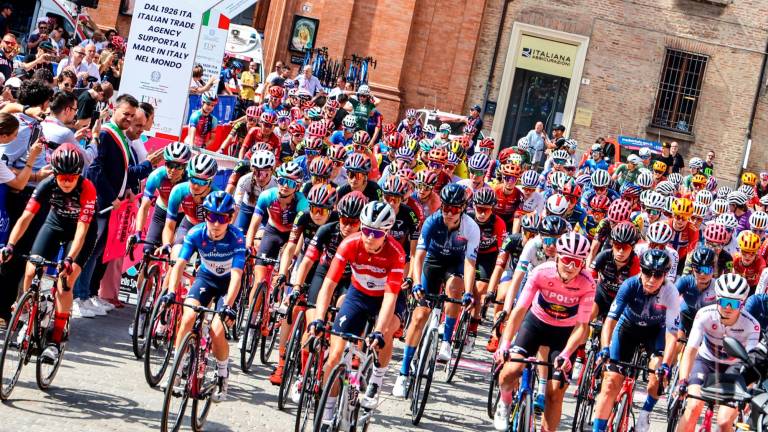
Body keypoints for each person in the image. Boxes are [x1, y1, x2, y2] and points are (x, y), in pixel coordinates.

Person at [309, 201, 406, 419]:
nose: (370, 237)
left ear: (387, 232)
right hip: (359, 295)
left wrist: (379, 331)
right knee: (334, 356)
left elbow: (391, 297)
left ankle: (376, 379)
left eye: (377, 233)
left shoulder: (396, 253)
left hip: (385, 298)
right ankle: (327, 411)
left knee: (388, 330)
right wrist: (318, 318)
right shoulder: (349, 244)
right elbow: (329, 284)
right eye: (366, 230)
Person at [0, 144, 97, 359]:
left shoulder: (87, 188)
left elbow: (82, 230)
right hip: (54, 224)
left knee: (65, 282)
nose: (67, 181)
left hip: (81, 233)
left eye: (72, 177)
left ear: (79, 175)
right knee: (30, 269)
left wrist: (70, 258)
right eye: (62, 176)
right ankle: (29, 315)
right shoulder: (46, 184)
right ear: (55, 173)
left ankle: (57, 338)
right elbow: (25, 218)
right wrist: (10, 245)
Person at [493, 232, 595, 432]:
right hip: (536, 324)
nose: (571, 267)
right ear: (557, 256)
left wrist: (566, 354)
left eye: (577, 262)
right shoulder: (541, 272)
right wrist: (504, 344)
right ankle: (504, 404)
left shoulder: (588, 283)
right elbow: (520, 310)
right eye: (566, 260)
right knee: (510, 371)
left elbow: (582, 327)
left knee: (555, 392)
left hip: (565, 334)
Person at [392, 183, 480, 396]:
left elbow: (470, 263)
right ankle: (403, 373)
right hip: (432, 262)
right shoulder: (432, 221)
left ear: (463, 208)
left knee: (454, 287)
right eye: (445, 208)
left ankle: (447, 341)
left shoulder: (471, 227)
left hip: (455, 265)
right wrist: (417, 283)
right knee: (420, 316)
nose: (449, 213)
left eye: (454, 209)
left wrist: (469, 292)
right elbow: (419, 255)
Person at [158, 191, 245, 402]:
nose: (216, 223)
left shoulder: (237, 238)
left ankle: (222, 374)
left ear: (230, 218)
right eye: (211, 216)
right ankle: (176, 370)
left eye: (222, 217)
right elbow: (179, 264)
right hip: (206, 279)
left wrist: (229, 305)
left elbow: (236, 275)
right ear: (204, 215)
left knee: (216, 331)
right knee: (187, 317)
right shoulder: (196, 233)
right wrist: (170, 292)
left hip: (227, 286)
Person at [76, 94, 158, 316]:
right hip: (102, 203)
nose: (129, 119)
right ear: (114, 110)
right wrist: (111, 196)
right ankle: (80, 296)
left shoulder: (121, 136)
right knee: (90, 250)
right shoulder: (106, 133)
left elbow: (122, 170)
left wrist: (127, 191)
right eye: (126, 114)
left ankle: (90, 293)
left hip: (114, 204)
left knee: (99, 251)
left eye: (132, 116)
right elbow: (95, 169)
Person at [591, 249, 681, 432]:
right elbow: (610, 321)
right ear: (640, 270)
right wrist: (605, 348)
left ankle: (645, 414)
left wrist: (666, 364)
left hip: (654, 332)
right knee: (610, 383)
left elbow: (672, 334)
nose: (652, 279)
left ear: (665, 276)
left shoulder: (670, 292)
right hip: (627, 329)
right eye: (647, 272)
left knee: (658, 376)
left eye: (658, 275)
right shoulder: (630, 285)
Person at [675, 274, 760, 432]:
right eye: (723, 302)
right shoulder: (704, 314)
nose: (727, 308)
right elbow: (691, 350)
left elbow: (751, 364)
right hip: (706, 363)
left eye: (733, 303)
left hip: (733, 370)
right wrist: (682, 381)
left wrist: (748, 391)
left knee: (723, 421)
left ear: (742, 304)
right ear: (717, 299)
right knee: (693, 407)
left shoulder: (751, 326)